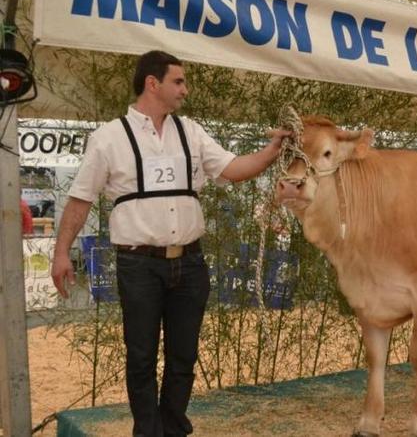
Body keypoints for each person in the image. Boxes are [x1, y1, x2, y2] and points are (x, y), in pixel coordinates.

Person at [51, 50, 290, 437]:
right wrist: (62, 252)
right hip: (139, 264)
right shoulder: (109, 137)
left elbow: (233, 169)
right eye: (178, 81)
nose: (185, 89)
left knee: (184, 356)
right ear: (152, 83)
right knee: (141, 356)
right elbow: (80, 200)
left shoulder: (191, 131)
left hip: (191, 263)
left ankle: (174, 427)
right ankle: (148, 431)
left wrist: (272, 151)